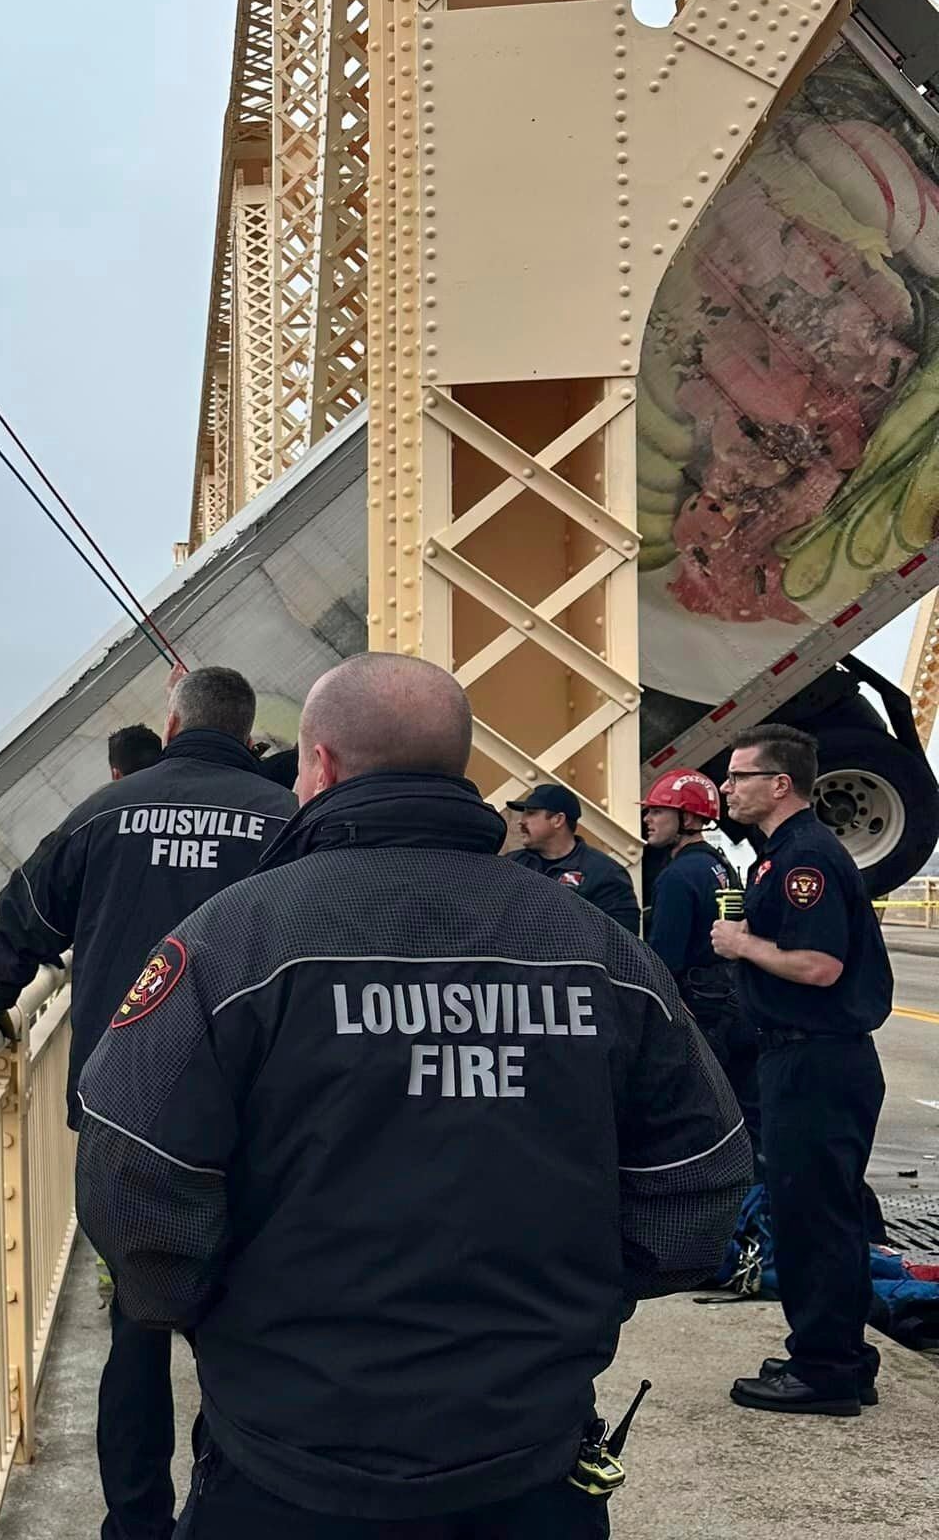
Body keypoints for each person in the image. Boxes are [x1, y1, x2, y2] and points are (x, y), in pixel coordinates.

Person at [77, 654, 750, 1539]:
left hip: (287, 1461)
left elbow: (132, 1171)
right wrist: (568, 1306)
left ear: (317, 765)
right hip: (528, 1459)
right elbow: (703, 1177)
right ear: (462, 769)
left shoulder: (233, 940)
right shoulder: (598, 948)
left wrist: (224, 1315)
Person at [0, 664, 296, 1540]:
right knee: (245, 1326)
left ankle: (134, 1526)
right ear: (248, 734)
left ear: (171, 726)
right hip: (261, 1119)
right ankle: (228, 1508)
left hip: (126, 1113)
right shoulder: (288, 821)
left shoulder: (106, 813)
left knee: (135, 1328)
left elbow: (21, 917)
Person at [713, 723, 894, 1417]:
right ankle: (842, 1355)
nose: (728, 787)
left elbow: (820, 967)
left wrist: (742, 943)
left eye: (740, 775)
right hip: (808, 1057)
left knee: (811, 1216)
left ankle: (823, 1371)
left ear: (779, 783)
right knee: (826, 1213)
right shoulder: (780, 854)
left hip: (816, 1058)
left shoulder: (803, 860)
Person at [642, 767, 757, 1149]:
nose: (648, 819)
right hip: (733, 1002)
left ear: (688, 819)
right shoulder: (720, 866)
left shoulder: (677, 877)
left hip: (701, 1015)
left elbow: (663, 959)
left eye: (658, 811)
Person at [510, 780, 639, 931]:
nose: (521, 821)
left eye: (531, 813)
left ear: (558, 820)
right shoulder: (512, 864)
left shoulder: (604, 872)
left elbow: (623, 937)